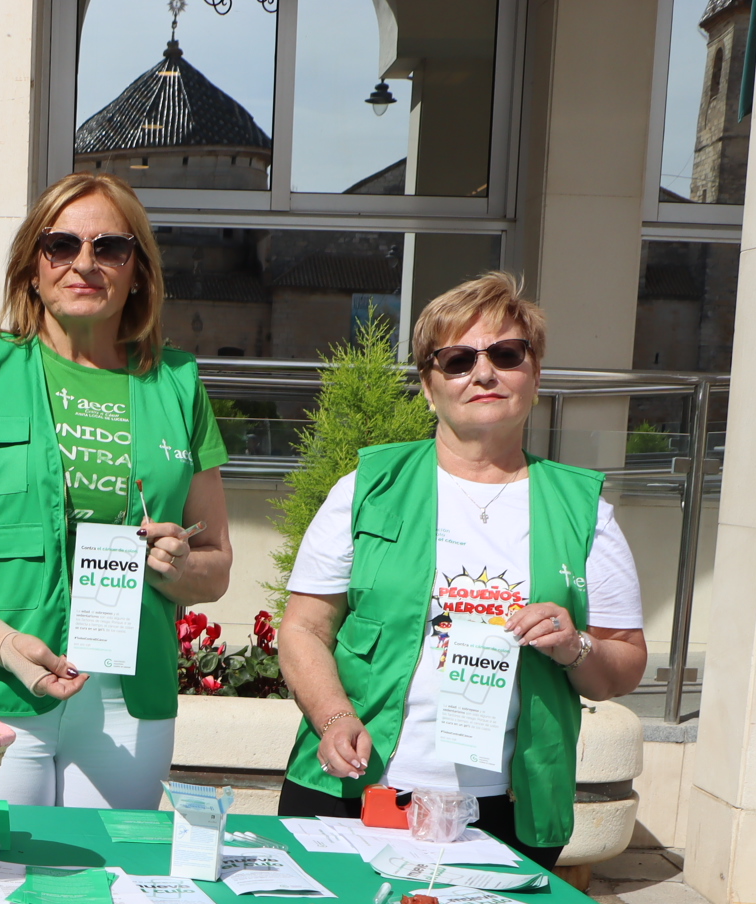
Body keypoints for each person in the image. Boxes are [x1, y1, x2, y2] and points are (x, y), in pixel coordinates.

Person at [273, 271, 649, 870]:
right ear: (428, 386)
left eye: (506, 354)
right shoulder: (367, 489)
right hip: (358, 791)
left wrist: (574, 646)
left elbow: (621, 664)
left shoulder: (584, 512)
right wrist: (334, 716)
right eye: (456, 360)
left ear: (535, 374)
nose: (483, 373)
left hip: (506, 807)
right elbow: (302, 630)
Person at [0, 173, 233, 809]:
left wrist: (176, 566)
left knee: (120, 886)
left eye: (109, 248)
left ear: (138, 272)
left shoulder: (178, 383)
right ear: (32, 268)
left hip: (127, 697)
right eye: (61, 245)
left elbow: (215, 570)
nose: (84, 263)